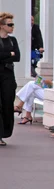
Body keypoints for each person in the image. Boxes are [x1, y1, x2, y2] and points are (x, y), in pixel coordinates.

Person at [0, 12, 20, 146]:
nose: (12, 27)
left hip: (8, 76)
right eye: (9, 24)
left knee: (7, 104)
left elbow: (17, 57)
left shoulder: (13, 40)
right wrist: (9, 54)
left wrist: (5, 56)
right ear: (1, 26)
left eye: (13, 24)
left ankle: (5, 132)